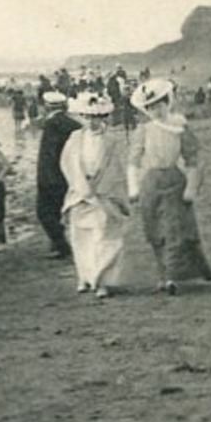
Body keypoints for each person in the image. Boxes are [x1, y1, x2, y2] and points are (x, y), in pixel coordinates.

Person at [127, 78, 211, 295]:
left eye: (159, 104)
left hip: (174, 180)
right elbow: (133, 160)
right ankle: (163, 274)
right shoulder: (143, 130)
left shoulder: (179, 127)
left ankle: (173, 277)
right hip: (151, 183)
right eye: (150, 107)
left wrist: (191, 187)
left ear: (168, 102)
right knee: (155, 231)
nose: (156, 110)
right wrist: (133, 187)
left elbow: (192, 158)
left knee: (175, 230)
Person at [60, 93, 128, 299]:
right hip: (80, 192)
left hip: (104, 193)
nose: (91, 121)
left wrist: (102, 187)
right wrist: (81, 185)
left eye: (96, 117)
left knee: (104, 237)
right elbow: (67, 164)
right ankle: (85, 277)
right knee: (81, 237)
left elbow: (119, 166)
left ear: (104, 117)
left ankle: (103, 281)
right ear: (81, 117)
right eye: (87, 117)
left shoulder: (113, 140)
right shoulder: (74, 139)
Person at [34, 92, 81, 259]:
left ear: (47, 107)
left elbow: (49, 155)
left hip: (50, 177)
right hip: (70, 175)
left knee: (44, 213)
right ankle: (59, 244)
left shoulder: (51, 125)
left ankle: (61, 245)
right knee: (62, 211)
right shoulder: (74, 125)